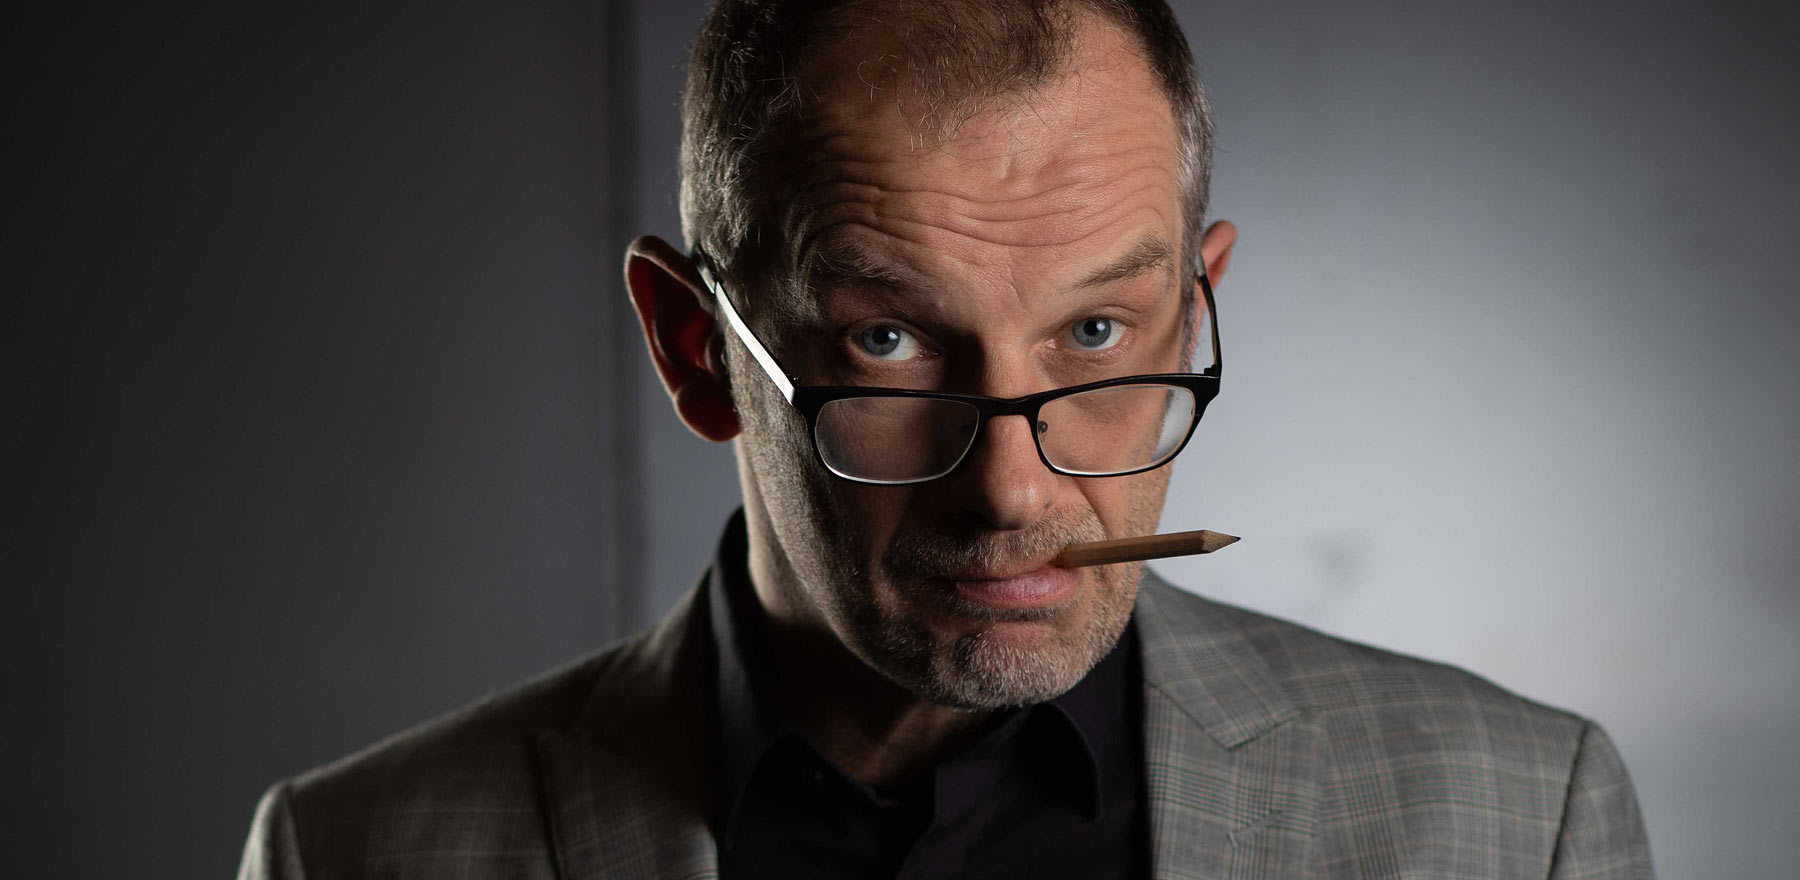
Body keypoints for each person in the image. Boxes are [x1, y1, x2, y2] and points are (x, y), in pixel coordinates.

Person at [237, 0, 1654, 877]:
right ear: (693, 346)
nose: (1013, 490)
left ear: (1194, 303)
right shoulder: (353, 855)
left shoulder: (1517, 820)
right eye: (888, 341)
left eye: (1096, 331)